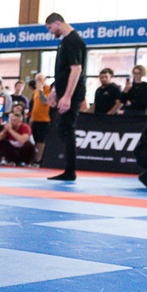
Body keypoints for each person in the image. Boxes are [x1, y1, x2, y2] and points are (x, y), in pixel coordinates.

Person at [46, 13, 87, 181]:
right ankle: (69, 170)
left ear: (57, 23)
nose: (50, 32)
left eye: (50, 28)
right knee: (63, 129)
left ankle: (70, 171)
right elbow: (62, 71)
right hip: (63, 91)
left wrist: (68, 96)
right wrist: (55, 91)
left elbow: (76, 69)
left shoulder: (73, 40)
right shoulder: (64, 41)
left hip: (73, 93)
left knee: (67, 129)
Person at [29, 74, 52, 163]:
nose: (38, 81)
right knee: (35, 139)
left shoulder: (48, 89)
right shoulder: (36, 91)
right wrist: (31, 119)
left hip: (44, 119)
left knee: (41, 141)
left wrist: (40, 89)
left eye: (40, 79)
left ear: (45, 79)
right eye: (37, 80)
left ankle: (39, 160)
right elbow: (34, 105)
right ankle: (35, 157)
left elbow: (45, 101)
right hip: (35, 118)